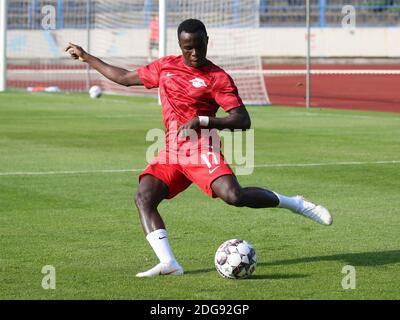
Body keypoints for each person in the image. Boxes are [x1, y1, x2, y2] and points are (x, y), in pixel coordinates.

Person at [65, 18, 332, 278]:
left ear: (207, 41)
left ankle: (295, 203)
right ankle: (168, 262)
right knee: (144, 198)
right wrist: (87, 57)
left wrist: (203, 120)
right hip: (171, 148)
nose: (194, 53)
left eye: (199, 46)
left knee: (234, 196)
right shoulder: (165, 67)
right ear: (180, 46)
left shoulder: (217, 77)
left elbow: (242, 119)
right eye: (187, 48)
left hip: (200, 146)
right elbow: (124, 77)